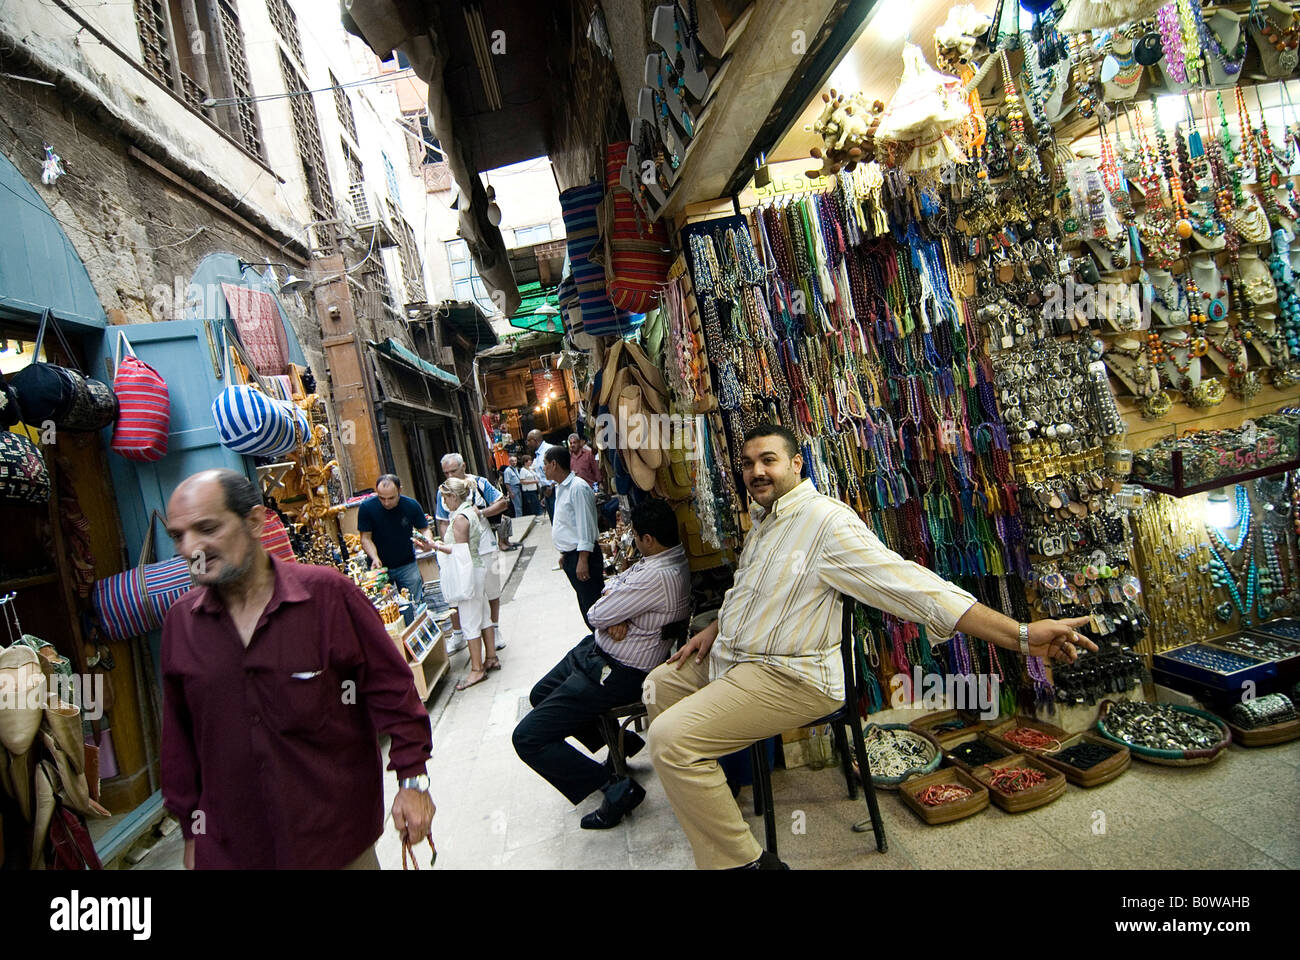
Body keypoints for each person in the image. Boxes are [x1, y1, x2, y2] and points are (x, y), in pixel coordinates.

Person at [643, 422, 1099, 870]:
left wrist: (1020, 635)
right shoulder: (765, 520)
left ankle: (741, 863)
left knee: (671, 741)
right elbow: (751, 592)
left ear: (797, 464)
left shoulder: (827, 523)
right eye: (748, 464)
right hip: (739, 656)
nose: (756, 472)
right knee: (659, 686)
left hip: (792, 676)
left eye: (768, 460)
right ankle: (710, 803)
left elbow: (915, 587)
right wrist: (715, 628)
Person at [160, 469, 434, 869]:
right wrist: (192, 832)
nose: (190, 548)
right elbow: (180, 740)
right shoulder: (181, 625)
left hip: (335, 841)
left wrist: (413, 782)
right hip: (234, 849)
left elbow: (392, 690)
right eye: (178, 536)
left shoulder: (327, 597)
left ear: (254, 521)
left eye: (206, 528)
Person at [512, 499, 689, 829]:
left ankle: (616, 787)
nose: (634, 540)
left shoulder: (656, 575)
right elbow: (610, 590)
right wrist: (614, 613)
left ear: (648, 539)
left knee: (527, 737)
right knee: (540, 694)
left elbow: (595, 612)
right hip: (599, 653)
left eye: (636, 536)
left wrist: (611, 615)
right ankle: (621, 746)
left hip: (618, 671)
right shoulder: (666, 558)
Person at [434, 453, 511, 651]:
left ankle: (494, 629)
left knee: (491, 589)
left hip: (485, 546)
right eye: (446, 472)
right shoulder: (442, 491)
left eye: (453, 470)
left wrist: (482, 513)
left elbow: (502, 502)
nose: (450, 475)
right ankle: (459, 633)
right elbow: (442, 522)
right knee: (459, 593)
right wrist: (446, 546)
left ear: (464, 466)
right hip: (458, 551)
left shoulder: (480, 483)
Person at [432, 477, 499, 691]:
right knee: (484, 615)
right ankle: (491, 657)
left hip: (469, 571)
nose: (444, 503)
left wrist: (435, 545)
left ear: (453, 496)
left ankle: (477, 669)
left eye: (445, 498)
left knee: (470, 621)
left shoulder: (460, 517)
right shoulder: (470, 511)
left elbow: (460, 551)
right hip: (477, 568)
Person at [545, 446, 603, 627]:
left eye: (545, 465)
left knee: (593, 607)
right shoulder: (561, 488)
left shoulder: (577, 487)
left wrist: (583, 559)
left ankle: (606, 647)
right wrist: (565, 553)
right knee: (586, 606)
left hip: (582, 556)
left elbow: (585, 525)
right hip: (572, 556)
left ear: (554, 464)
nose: (544, 469)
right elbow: (568, 525)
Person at [357, 474, 433, 605]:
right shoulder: (367, 508)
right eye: (382, 498)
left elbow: (424, 529)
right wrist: (374, 557)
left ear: (400, 490)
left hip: (407, 564)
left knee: (416, 602)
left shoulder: (411, 505)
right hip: (380, 568)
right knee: (384, 606)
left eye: (391, 498)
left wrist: (428, 541)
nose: (386, 503)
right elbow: (365, 538)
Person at [527, 429, 557, 521]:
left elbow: (556, 469)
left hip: (554, 490)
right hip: (547, 492)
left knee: (558, 520)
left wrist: (551, 486)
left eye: (529, 441)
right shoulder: (538, 454)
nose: (527, 444)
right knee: (553, 521)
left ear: (535, 440)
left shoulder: (548, 450)